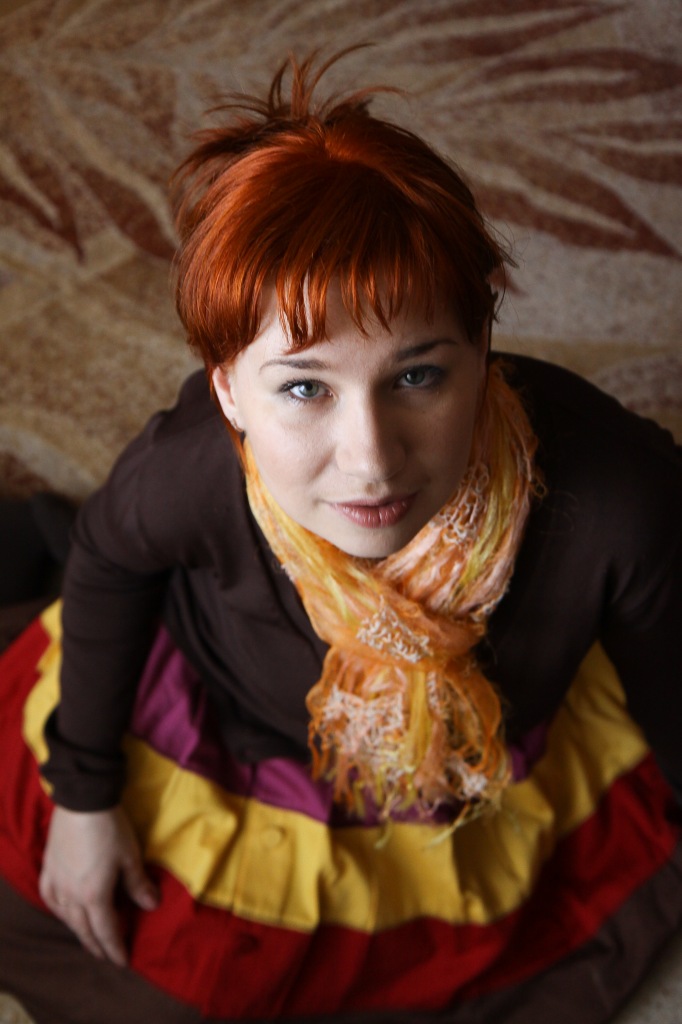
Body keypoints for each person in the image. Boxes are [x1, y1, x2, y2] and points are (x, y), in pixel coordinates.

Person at [0, 49, 681, 1024]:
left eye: (417, 376)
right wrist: (84, 797)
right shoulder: (189, 470)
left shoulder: (619, 498)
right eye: (304, 387)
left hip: (482, 764)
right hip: (233, 723)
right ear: (229, 391)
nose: (370, 460)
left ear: (482, 352)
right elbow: (107, 561)